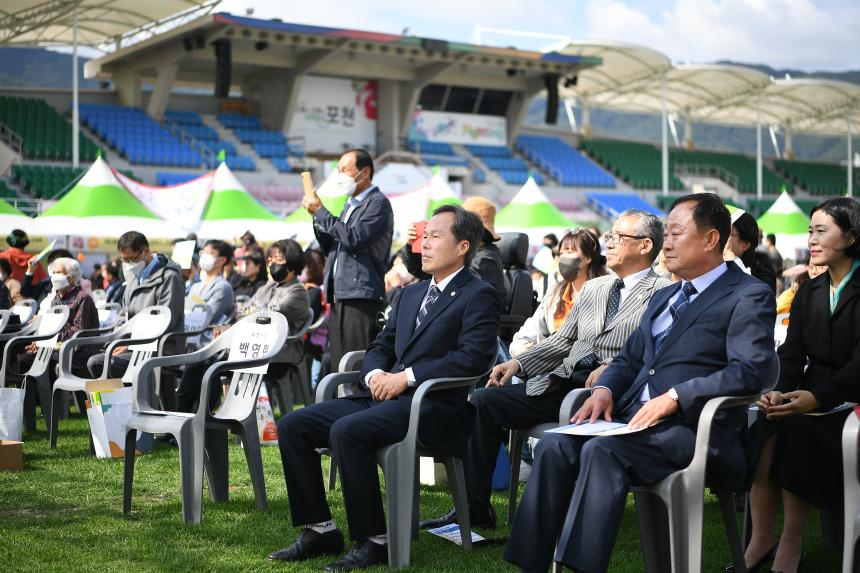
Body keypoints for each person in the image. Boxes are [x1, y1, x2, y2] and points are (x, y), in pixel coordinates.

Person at [503, 193, 776, 573]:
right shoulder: (666, 296)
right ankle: (531, 567)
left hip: (692, 429)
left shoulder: (748, 294)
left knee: (602, 452)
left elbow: (751, 370)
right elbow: (629, 360)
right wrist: (605, 390)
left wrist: (677, 396)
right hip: (631, 420)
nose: (667, 243)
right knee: (554, 445)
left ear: (711, 239)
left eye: (676, 233)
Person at [269, 205, 500, 570]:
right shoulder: (410, 294)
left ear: (462, 247)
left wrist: (405, 378)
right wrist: (375, 374)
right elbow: (381, 345)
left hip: (432, 407)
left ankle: (376, 540)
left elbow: (472, 358)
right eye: (424, 236)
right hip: (382, 397)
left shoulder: (479, 294)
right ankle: (319, 529)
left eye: (435, 236)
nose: (424, 244)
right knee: (293, 425)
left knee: (347, 431)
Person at [421, 210, 670, 531]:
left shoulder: (664, 292)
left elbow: (658, 351)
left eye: (618, 237)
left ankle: (562, 515)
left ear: (645, 245)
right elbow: (563, 340)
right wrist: (518, 363)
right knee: (483, 401)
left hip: (614, 394)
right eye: (609, 236)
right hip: (563, 382)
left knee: (560, 418)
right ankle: (474, 507)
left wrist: (613, 369)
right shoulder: (596, 287)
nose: (608, 243)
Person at [740, 198, 860, 573]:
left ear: (851, 236)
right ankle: (762, 538)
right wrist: (779, 389)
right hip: (809, 394)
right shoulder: (809, 289)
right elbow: (791, 354)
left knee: (795, 431)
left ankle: (791, 541)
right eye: (810, 231)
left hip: (850, 401)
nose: (812, 240)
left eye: (822, 231)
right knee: (765, 424)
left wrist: (816, 398)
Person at [303, 148, 394, 370]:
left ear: (365, 172)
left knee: (355, 363)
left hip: (361, 294)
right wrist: (317, 218)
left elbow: (354, 238)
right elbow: (332, 245)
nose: (339, 175)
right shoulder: (350, 204)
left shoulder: (377, 203)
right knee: (339, 363)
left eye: (345, 169)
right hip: (340, 293)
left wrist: (322, 212)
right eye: (338, 169)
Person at [86, 231, 184, 378]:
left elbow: (166, 321)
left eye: (132, 258)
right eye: (124, 260)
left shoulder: (169, 277)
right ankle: (120, 393)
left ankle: (124, 393)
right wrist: (117, 341)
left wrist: (130, 345)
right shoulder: (133, 276)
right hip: (133, 345)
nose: (129, 264)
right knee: (95, 360)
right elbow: (124, 314)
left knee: (100, 363)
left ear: (146, 251)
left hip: (161, 347)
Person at [509, 229, 608, 357]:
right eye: (561, 253)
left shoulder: (605, 293)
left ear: (588, 257)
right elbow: (529, 331)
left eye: (570, 252)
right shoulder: (555, 293)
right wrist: (521, 348)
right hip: (548, 362)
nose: (563, 258)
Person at [402, 196, 507, 302]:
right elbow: (421, 270)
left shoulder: (486, 259)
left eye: (436, 236)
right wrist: (412, 245)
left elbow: (460, 288)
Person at [17, 257, 98, 379]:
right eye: (53, 272)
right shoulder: (57, 298)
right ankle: (32, 391)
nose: (54, 276)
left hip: (77, 350)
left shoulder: (83, 298)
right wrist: (39, 339)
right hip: (55, 346)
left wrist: (45, 341)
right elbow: (50, 325)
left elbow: (78, 331)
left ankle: (49, 391)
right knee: (22, 357)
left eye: (59, 272)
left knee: (31, 360)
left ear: (70, 277)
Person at [725, 211, 777, 293]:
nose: (720, 238)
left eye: (727, 234)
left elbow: (759, 296)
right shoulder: (714, 264)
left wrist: (734, 263)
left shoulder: (762, 274)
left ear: (745, 244)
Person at [186, 239, 235, 325]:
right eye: (204, 252)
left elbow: (206, 317)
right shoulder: (195, 286)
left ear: (222, 260)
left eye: (210, 253)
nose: (204, 256)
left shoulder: (223, 287)